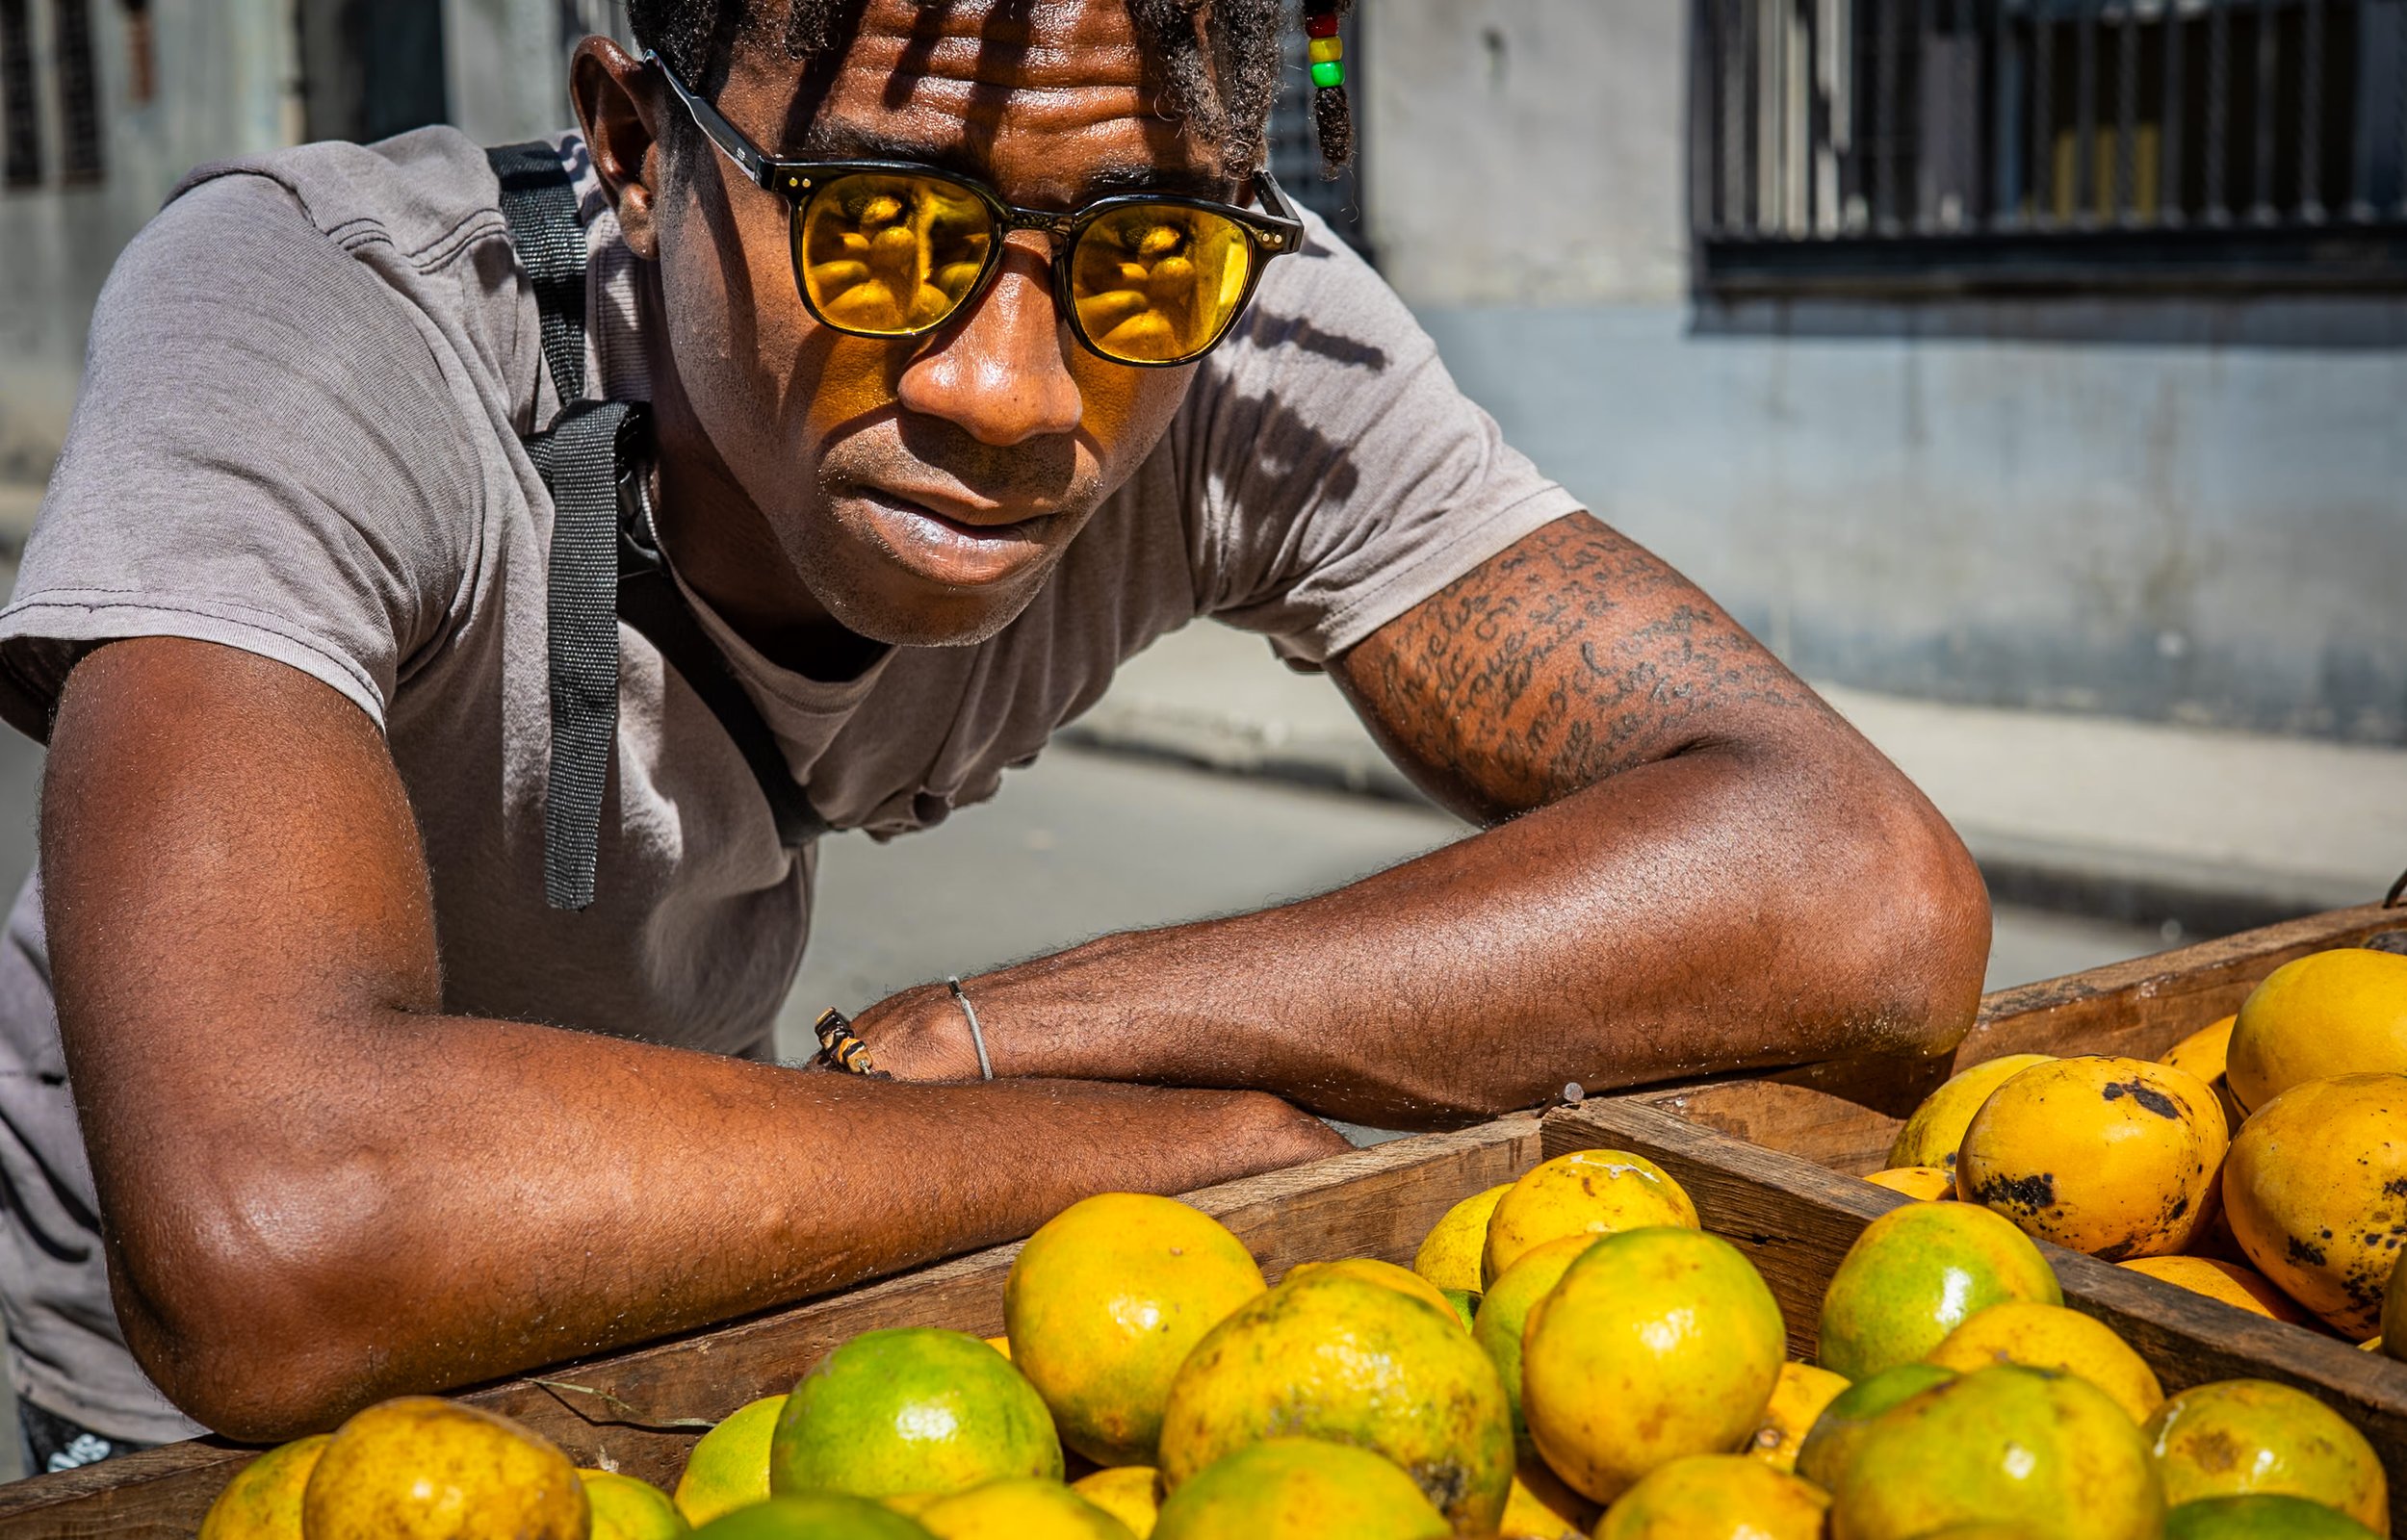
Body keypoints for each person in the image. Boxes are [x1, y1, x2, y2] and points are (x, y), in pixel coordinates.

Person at [0, 0, 1988, 1464]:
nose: (1013, 391)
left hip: (672, 1320)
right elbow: (279, 1221)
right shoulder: (317, 323)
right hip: (181, 1430)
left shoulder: (1227, 331)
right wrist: (1159, 1148)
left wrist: (1015, 1030)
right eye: (878, 226)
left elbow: (1856, 891)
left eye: (1139, 250)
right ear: (632, 147)